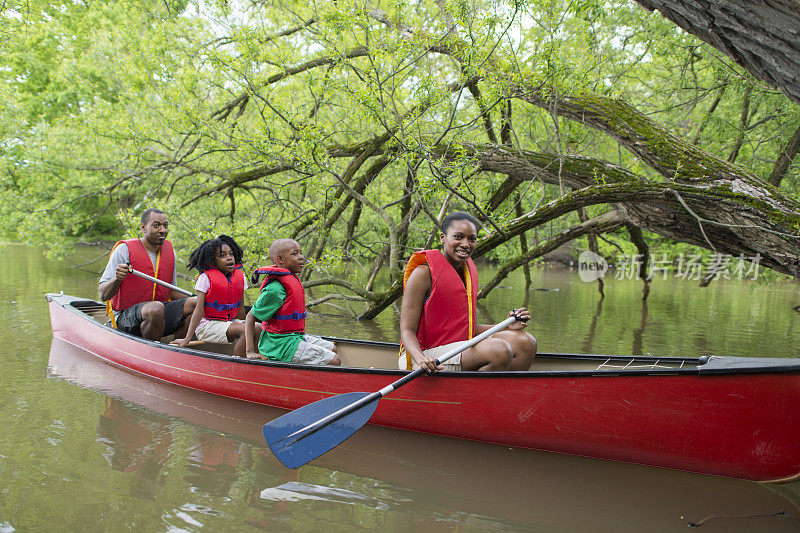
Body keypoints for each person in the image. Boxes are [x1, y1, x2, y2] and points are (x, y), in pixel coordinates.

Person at [399, 211, 537, 372]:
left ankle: (502, 394)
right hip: (422, 356)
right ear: (442, 237)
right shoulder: (422, 274)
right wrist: (421, 359)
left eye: (471, 239)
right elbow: (407, 331)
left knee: (526, 343)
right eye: (458, 237)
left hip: (458, 348)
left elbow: (470, 329)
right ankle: (478, 395)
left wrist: (506, 326)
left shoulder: (466, 274)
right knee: (499, 350)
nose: (465, 244)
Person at [99, 208, 196, 341]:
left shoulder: (170, 253)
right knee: (155, 308)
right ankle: (153, 351)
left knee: (196, 304)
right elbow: (103, 294)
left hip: (158, 315)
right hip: (126, 319)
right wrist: (117, 278)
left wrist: (202, 298)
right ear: (143, 227)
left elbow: (172, 294)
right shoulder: (124, 250)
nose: (162, 230)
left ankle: (176, 348)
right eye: (156, 225)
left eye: (165, 226)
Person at [244, 239, 341, 365]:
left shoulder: (291, 278)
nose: (301, 257)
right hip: (279, 345)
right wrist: (250, 351)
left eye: (301, 253)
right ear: (280, 260)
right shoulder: (275, 290)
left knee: (332, 348)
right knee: (335, 360)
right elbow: (250, 318)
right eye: (295, 254)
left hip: (294, 337)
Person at [173, 235, 248, 357]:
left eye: (231, 254)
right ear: (213, 260)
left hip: (229, 322)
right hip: (207, 326)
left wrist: (242, 322)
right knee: (246, 330)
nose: (229, 258)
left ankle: (252, 359)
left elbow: (240, 309)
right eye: (222, 256)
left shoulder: (240, 277)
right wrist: (187, 338)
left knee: (257, 328)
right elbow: (198, 310)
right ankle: (239, 366)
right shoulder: (205, 278)